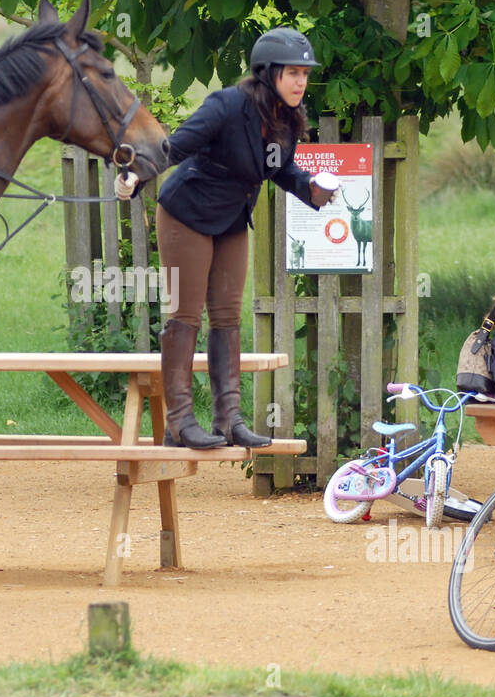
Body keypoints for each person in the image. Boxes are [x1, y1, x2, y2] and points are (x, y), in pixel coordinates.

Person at [115, 27, 336, 448]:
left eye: (305, 74)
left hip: (233, 218)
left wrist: (311, 187)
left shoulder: (287, 119)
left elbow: (279, 169)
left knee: (228, 318)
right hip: (187, 213)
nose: (301, 82)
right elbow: (174, 147)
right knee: (185, 316)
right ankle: (179, 422)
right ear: (268, 72)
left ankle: (228, 420)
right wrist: (135, 175)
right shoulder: (227, 105)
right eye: (292, 73)